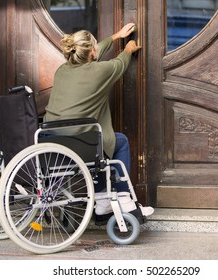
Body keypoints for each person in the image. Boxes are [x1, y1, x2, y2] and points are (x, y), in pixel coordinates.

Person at [44, 23, 154, 225]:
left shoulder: (62, 70)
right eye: (95, 48)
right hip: (81, 144)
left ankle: (102, 204)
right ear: (92, 53)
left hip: (53, 143)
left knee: (101, 144)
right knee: (117, 143)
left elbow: (94, 52)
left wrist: (115, 36)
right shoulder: (101, 70)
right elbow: (121, 63)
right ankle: (125, 200)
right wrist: (128, 48)